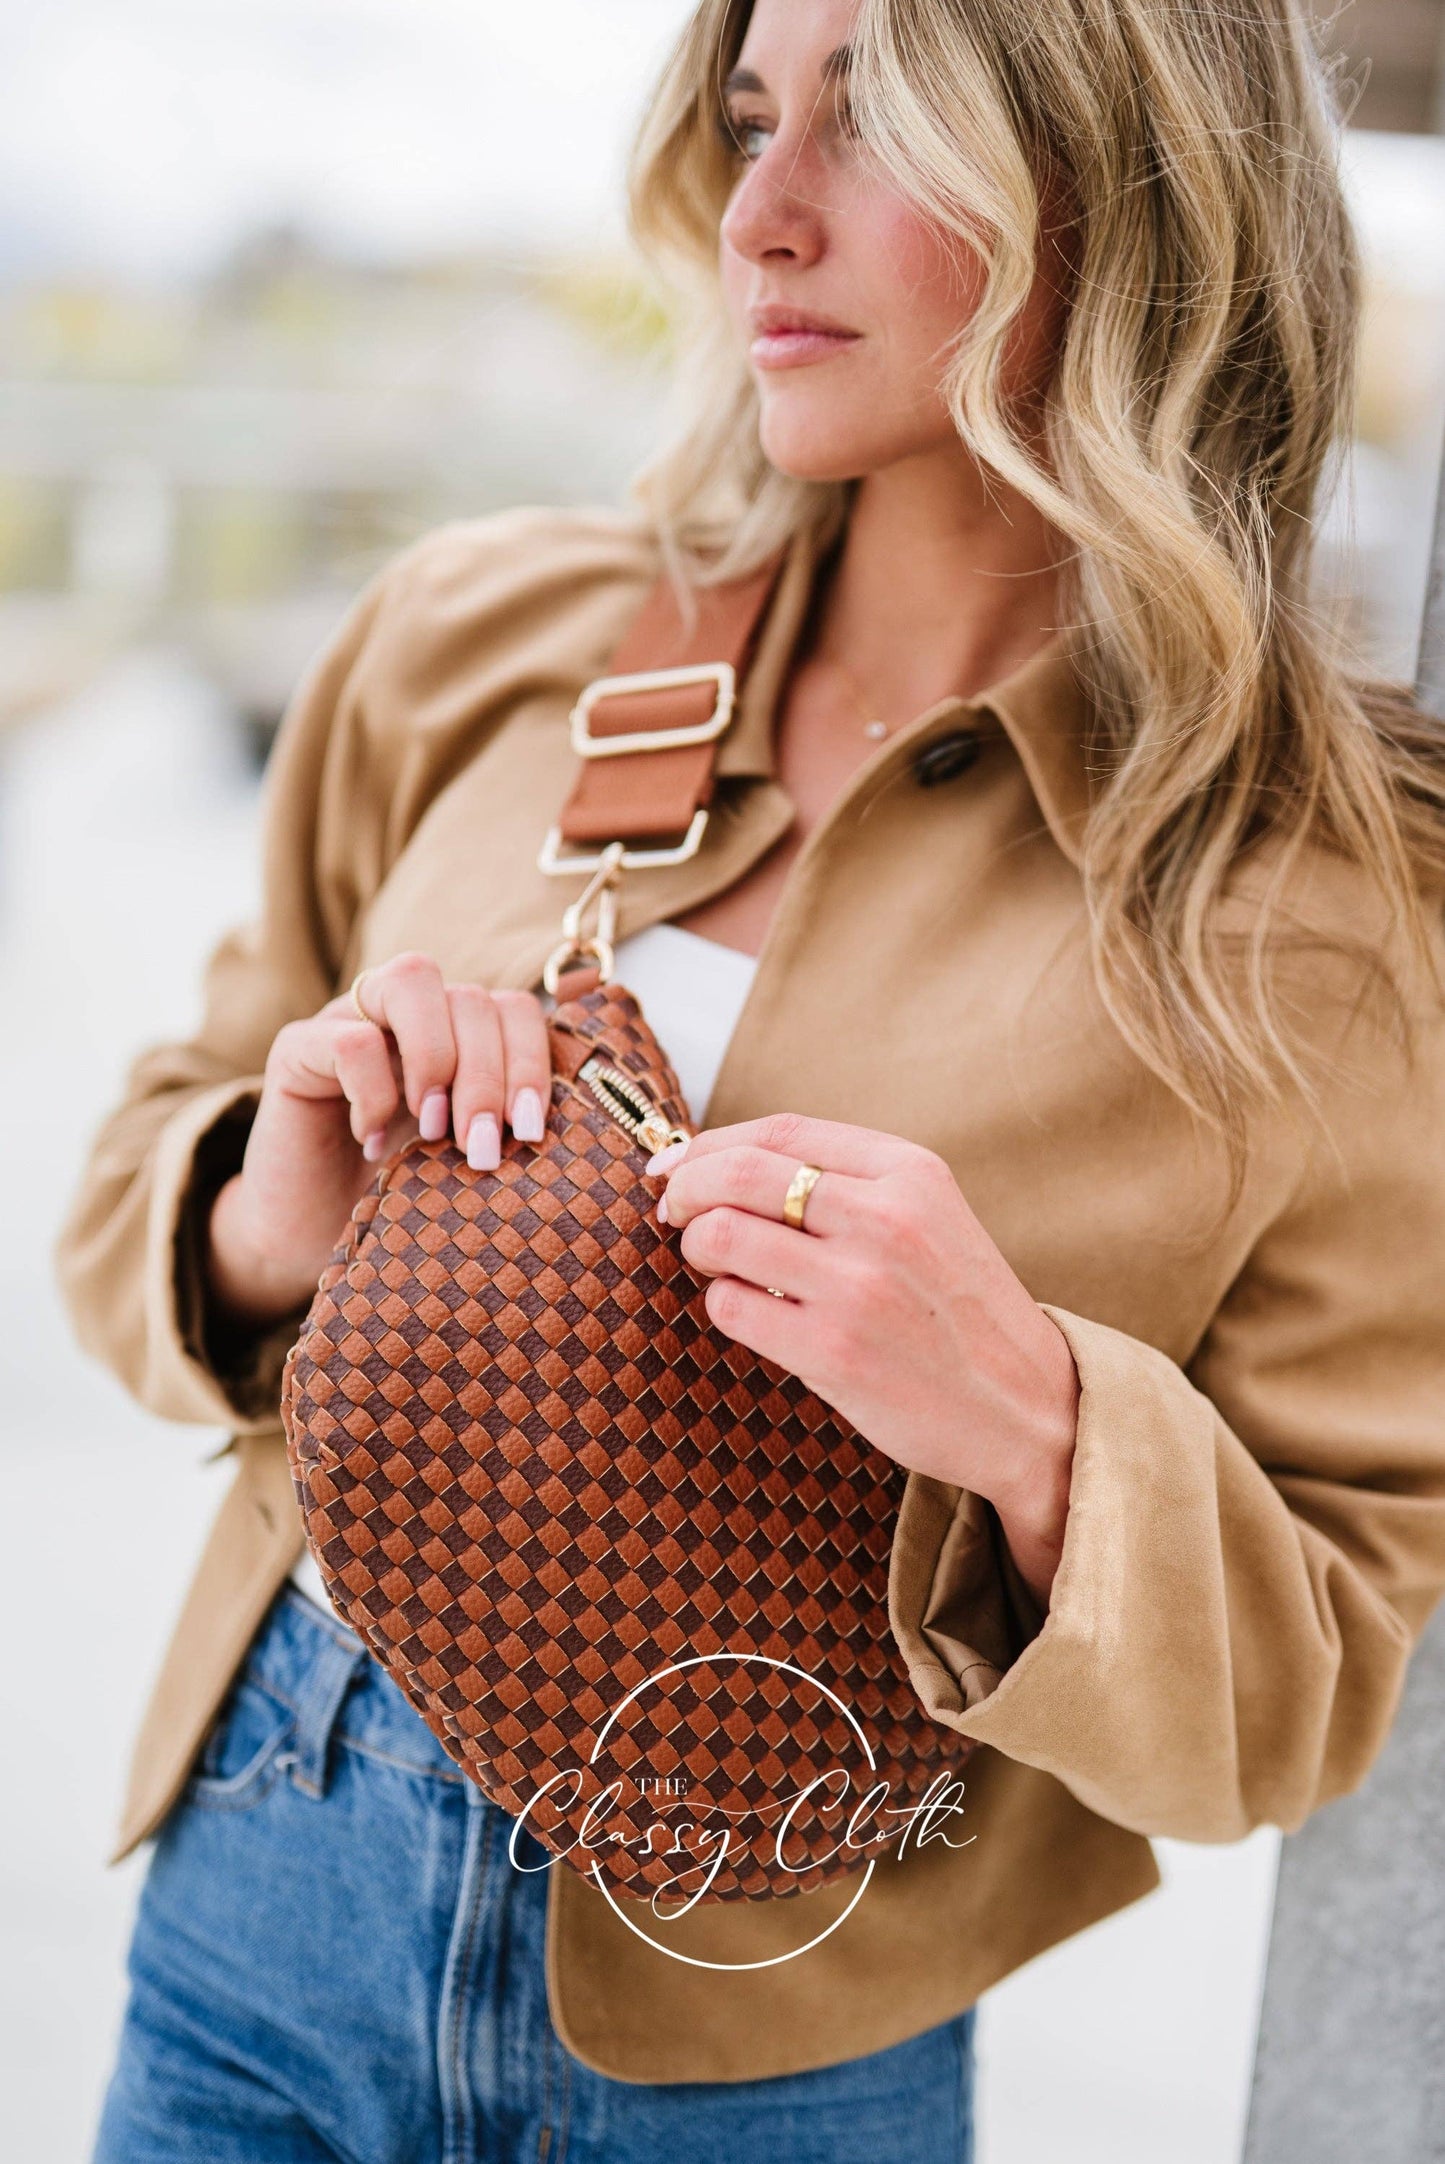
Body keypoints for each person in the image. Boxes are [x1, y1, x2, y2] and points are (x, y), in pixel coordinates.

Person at [54, 0, 1445, 2158]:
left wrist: (1036, 1420)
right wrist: (270, 1202)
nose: (760, 215)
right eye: (743, 121)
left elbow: (1312, 1681)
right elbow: (147, 1153)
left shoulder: (1337, 917)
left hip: (771, 2036)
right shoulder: (481, 642)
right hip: (269, 1879)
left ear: (1128, 181)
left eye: (872, 126)